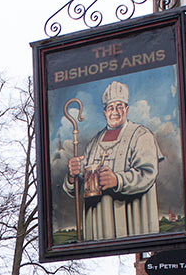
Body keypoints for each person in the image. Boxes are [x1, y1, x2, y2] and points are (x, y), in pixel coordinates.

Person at [63, 80, 162, 242]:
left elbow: (147, 174)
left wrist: (118, 180)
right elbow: (77, 188)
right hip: (98, 227)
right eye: (110, 107)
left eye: (119, 106)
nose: (115, 112)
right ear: (104, 112)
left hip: (132, 223)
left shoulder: (142, 135)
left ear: (127, 109)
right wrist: (72, 175)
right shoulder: (94, 143)